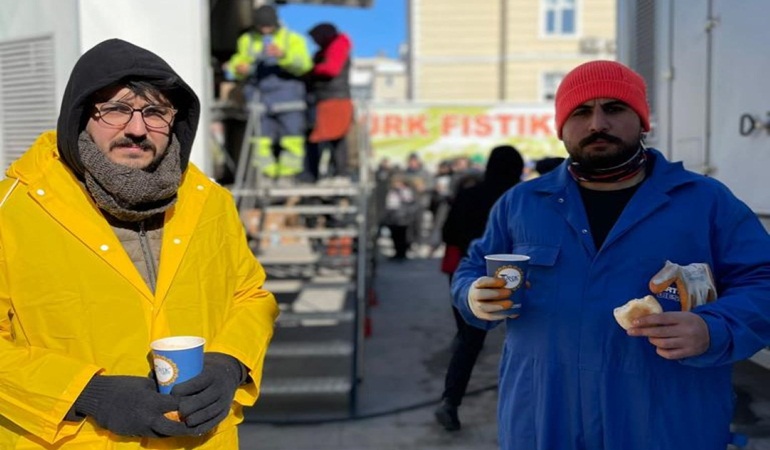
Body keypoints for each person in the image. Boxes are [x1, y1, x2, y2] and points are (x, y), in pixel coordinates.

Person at [450, 60, 770, 450]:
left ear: (642, 121)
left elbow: (762, 280)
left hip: (667, 423)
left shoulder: (704, 202)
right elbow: (472, 267)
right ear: (561, 127)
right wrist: (472, 295)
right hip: (545, 421)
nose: (597, 123)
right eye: (581, 112)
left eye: (614, 108)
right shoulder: (522, 204)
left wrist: (714, 328)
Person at [0, 39, 279, 449]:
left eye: (154, 112)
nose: (136, 128)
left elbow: (251, 296)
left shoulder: (209, 201)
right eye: (114, 109)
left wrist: (231, 363)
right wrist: (85, 395)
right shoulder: (13, 209)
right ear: (80, 117)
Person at [435, 145, 524, 431]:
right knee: (528, 339)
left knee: (469, 340)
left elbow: (447, 233)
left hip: (471, 275)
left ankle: (450, 402)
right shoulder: (523, 199)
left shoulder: (470, 194)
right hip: (518, 276)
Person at [227, 4, 312, 178]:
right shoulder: (247, 39)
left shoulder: (293, 39)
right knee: (260, 140)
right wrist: (238, 68)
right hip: (259, 98)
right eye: (261, 27)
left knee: (292, 139)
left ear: (276, 23)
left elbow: (304, 65)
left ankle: (287, 177)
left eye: (269, 27)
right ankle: (266, 176)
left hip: (289, 98)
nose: (265, 31)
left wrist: (283, 55)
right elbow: (237, 61)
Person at [301, 22, 354, 182]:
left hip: (333, 99)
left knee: (333, 138)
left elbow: (331, 68)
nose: (314, 42)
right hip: (326, 99)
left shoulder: (337, 46)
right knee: (327, 138)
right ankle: (332, 173)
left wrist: (313, 69)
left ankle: (338, 174)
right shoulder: (327, 49)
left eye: (315, 38)